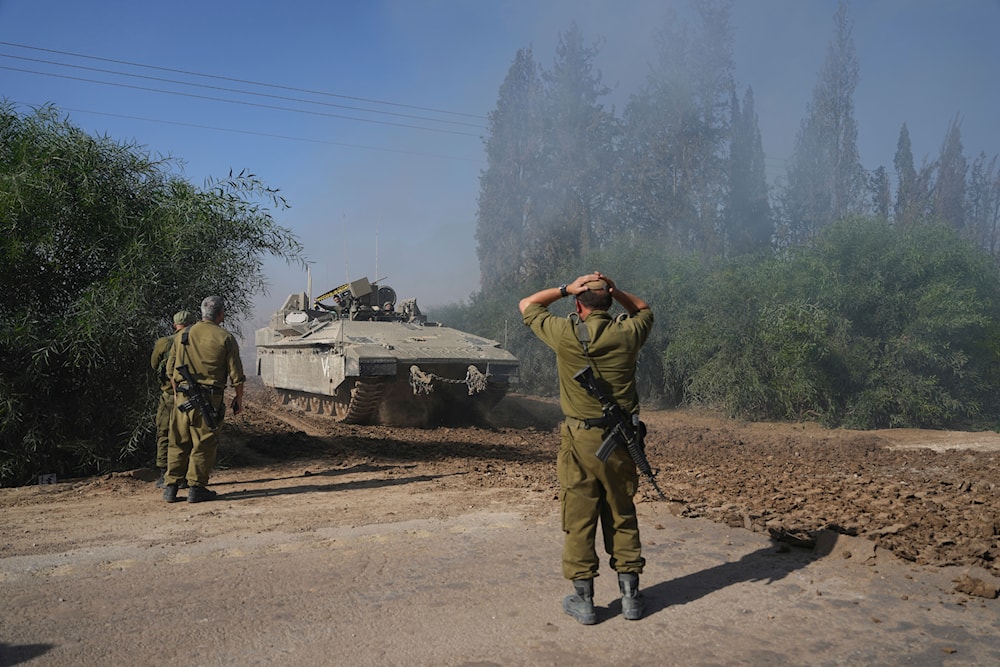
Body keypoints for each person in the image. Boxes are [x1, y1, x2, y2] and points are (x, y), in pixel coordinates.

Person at [519, 272, 654, 624]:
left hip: (580, 441)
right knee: (621, 513)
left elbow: (528, 305)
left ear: (578, 304)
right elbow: (644, 309)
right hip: (621, 442)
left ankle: (585, 602)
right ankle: (631, 598)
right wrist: (616, 288)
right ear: (608, 300)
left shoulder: (566, 334)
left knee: (579, 519)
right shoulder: (629, 333)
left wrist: (566, 289)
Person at [163, 295, 245, 503]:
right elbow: (236, 376)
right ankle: (196, 488)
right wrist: (239, 399)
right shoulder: (225, 338)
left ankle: (171, 488)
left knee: (177, 442)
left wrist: (177, 394)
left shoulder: (183, 335)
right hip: (209, 400)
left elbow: (170, 371)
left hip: (182, 398)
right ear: (221, 314)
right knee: (203, 443)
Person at [150, 310, 197, 488]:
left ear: (174, 325)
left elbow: (154, 365)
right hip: (192, 397)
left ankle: (164, 474)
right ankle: (186, 475)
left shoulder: (164, 343)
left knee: (164, 433)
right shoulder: (197, 343)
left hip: (170, 395)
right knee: (190, 435)